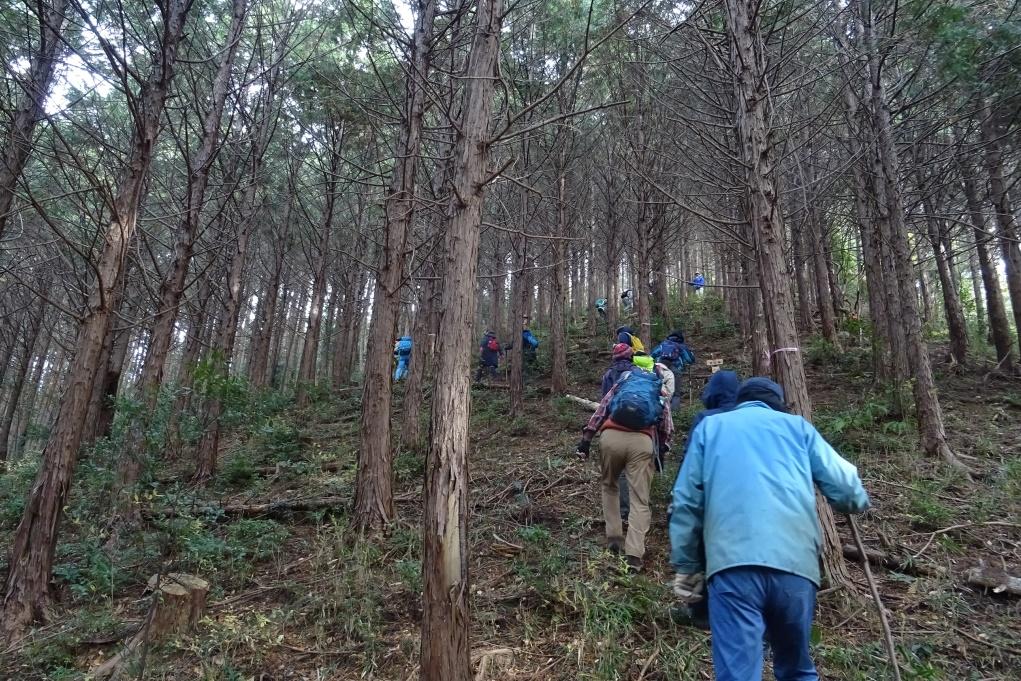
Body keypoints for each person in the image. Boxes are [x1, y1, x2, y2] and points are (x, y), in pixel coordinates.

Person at [669, 377, 870, 681]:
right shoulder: (799, 428)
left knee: (739, 674)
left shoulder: (712, 428)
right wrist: (854, 501)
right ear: (778, 403)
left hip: (732, 566)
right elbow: (847, 489)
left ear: (741, 401)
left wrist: (687, 565)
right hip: (796, 567)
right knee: (797, 670)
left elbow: (686, 500)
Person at [577, 359, 673, 574]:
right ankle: (634, 555)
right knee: (640, 499)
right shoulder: (659, 389)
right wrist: (662, 450)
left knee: (609, 485)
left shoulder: (623, 382)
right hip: (642, 442)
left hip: (611, 437)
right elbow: (666, 426)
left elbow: (602, 410)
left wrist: (586, 438)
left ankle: (614, 537)